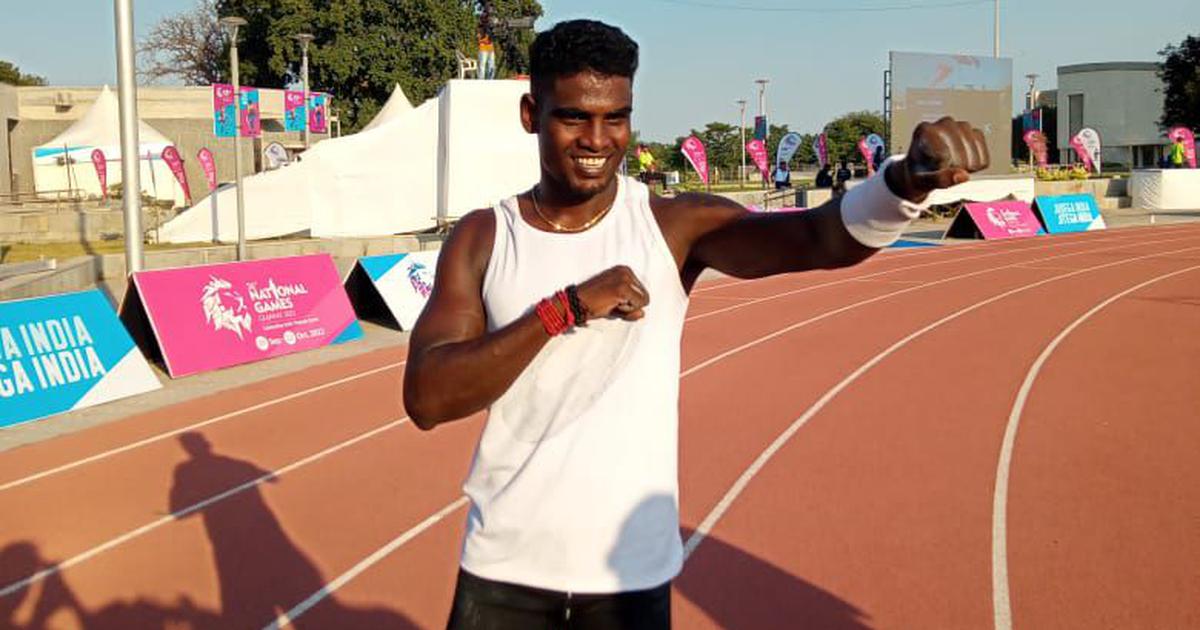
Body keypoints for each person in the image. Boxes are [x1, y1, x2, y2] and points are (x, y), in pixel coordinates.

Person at [404, 19, 989, 629]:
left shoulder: (671, 227)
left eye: (615, 118)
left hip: (629, 577)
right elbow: (428, 398)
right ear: (532, 115)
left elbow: (816, 237)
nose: (597, 140)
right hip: (504, 573)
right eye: (573, 117)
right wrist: (565, 309)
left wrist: (901, 184)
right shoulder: (485, 237)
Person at [478, 9, 497, 80]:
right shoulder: (480, 27)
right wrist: (486, 39)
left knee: (491, 65)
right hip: (483, 49)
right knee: (482, 65)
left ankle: (490, 80)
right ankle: (481, 80)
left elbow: (493, 37)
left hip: (491, 48)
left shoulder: (491, 27)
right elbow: (479, 39)